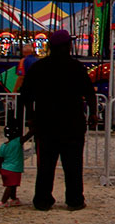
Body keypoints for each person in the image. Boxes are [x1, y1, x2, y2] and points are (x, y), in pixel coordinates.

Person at [18, 29, 97, 211]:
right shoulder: (76, 67)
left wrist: (30, 116)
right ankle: (74, 199)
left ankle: (43, 200)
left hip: (46, 124)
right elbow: (89, 92)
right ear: (68, 46)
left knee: (45, 165)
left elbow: (25, 95)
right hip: (72, 124)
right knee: (73, 165)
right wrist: (93, 114)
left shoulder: (39, 67)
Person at [0, 122, 32, 207]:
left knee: (13, 185)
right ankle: (3, 201)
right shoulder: (18, 142)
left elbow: (0, 158)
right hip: (14, 169)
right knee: (11, 186)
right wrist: (33, 128)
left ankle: (14, 199)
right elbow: (27, 136)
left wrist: (0, 167)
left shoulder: (3, 145)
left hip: (5, 168)